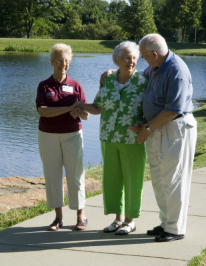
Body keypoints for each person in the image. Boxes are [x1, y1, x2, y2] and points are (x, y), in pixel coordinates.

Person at [131, 34, 197, 242]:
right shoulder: (155, 67)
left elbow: (172, 110)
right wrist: (114, 74)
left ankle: (175, 228)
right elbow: (139, 78)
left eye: (143, 56)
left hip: (175, 128)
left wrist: (147, 127)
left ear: (154, 53)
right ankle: (166, 222)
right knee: (160, 178)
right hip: (157, 128)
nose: (142, 60)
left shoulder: (176, 71)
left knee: (174, 178)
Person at [79, 41, 148, 235]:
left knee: (133, 179)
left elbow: (151, 109)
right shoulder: (108, 81)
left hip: (132, 139)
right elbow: (98, 107)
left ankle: (130, 220)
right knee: (112, 179)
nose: (131, 61)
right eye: (127, 57)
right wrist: (81, 105)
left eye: (134, 57)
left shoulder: (142, 83)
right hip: (108, 137)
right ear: (117, 60)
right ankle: (117, 219)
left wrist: (145, 124)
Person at [36, 43, 89, 231]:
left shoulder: (76, 85)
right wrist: (68, 108)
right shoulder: (44, 86)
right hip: (48, 136)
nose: (64, 64)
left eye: (67, 61)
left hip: (72, 135)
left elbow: (86, 114)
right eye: (60, 60)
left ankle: (81, 216)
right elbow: (43, 112)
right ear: (52, 61)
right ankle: (58, 218)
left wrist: (79, 112)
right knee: (53, 175)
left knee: (76, 175)